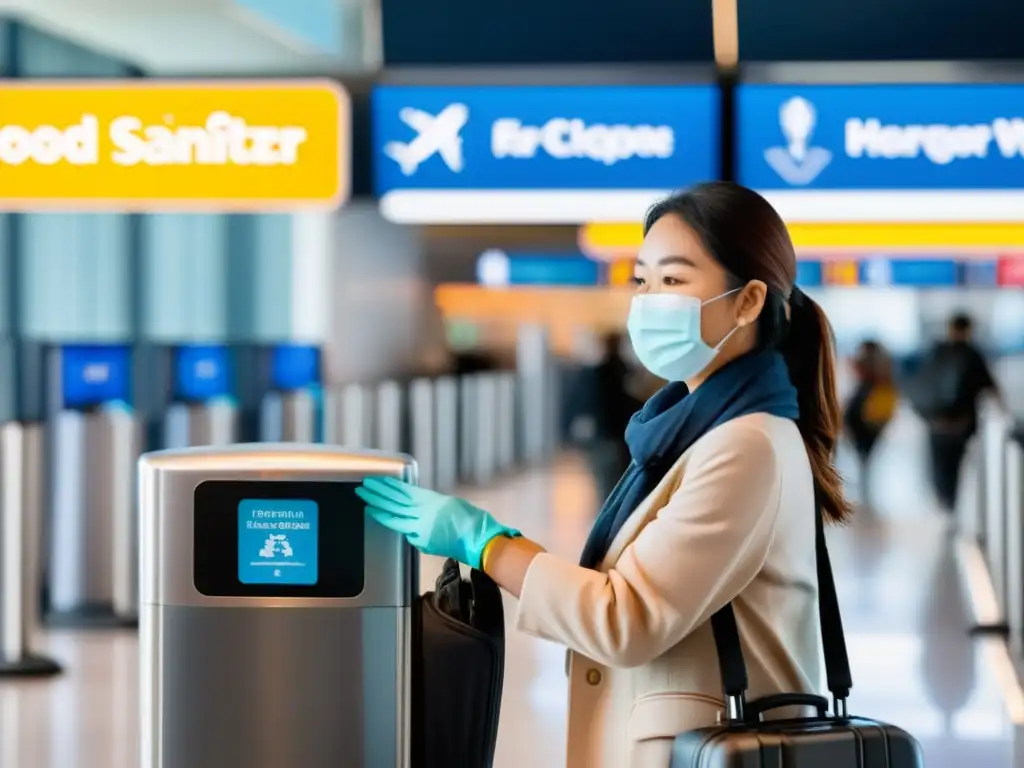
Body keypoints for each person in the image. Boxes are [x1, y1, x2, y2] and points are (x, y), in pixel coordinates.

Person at [356, 181, 850, 768]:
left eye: (674, 279)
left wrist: (485, 542)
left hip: (705, 747)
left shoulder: (745, 446)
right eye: (642, 280)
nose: (648, 298)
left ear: (747, 302)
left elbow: (625, 619)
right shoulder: (687, 431)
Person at [906, 313, 1001, 512]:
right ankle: (951, 506)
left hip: (936, 424)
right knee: (955, 469)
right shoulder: (972, 354)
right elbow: (990, 387)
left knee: (939, 469)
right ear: (968, 330)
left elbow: (918, 384)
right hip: (961, 425)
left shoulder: (934, 352)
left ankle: (944, 503)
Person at [582, 332, 640, 504]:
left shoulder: (599, 371)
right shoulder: (621, 370)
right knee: (615, 480)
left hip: (604, 434)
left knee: (606, 483)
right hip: (618, 433)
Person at [842, 339, 897, 504]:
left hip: (867, 413)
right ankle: (864, 481)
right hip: (873, 416)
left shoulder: (868, 374)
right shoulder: (884, 365)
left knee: (863, 450)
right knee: (865, 452)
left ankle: (864, 482)